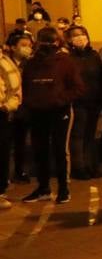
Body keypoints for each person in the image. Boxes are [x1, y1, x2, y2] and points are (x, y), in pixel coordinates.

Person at [19, 27, 83, 204]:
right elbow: (25, 86)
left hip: (59, 112)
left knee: (60, 150)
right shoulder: (32, 64)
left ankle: (64, 188)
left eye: (50, 41)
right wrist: (29, 103)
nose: (47, 45)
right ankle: (43, 188)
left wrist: (60, 99)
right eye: (44, 41)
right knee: (40, 151)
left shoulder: (66, 62)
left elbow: (78, 88)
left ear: (57, 42)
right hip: (38, 112)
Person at [65, 26, 102, 179]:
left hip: (94, 101)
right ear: (70, 39)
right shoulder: (68, 57)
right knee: (78, 135)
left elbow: (101, 76)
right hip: (77, 102)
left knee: (90, 135)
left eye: (82, 35)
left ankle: (90, 165)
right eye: (75, 35)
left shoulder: (94, 55)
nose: (80, 38)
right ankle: (78, 167)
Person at [8, 32, 33, 184]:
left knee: (20, 142)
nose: (27, 49)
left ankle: (19, 171)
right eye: (23, 46)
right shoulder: (6, 63)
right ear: (12, 47)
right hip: (6, 108)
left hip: (24, 108)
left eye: (29, 46)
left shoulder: (30, 64)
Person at [0, 42, 18, 207]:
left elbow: (15, 88)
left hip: (1, 112)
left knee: (2, 152)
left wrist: (8, 106)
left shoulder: (4, 63)